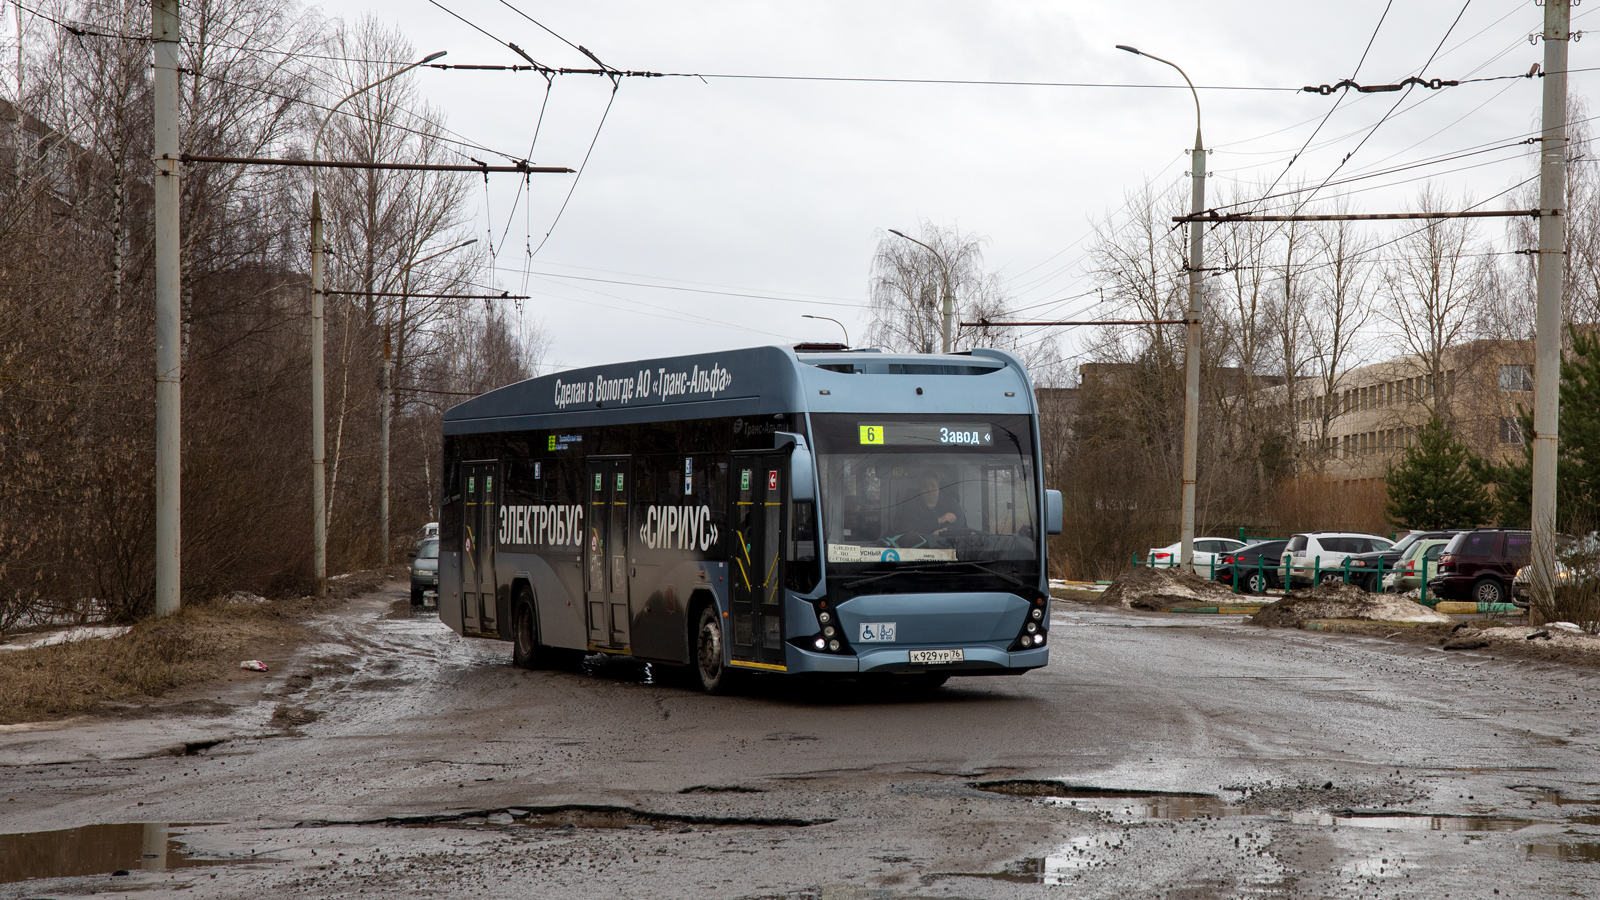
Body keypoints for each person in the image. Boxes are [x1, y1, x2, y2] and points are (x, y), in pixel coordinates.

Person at [897, 471, 965, 536]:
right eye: (925, 486)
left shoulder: (950, 502)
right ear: (920, 489)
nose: (929, 490)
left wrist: (945, 530)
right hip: (920, 546)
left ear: (938, 487)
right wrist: (938, 521)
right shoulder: (911, 506)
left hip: (948, 545)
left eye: (933, 485)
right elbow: (909, 529)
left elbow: (961, 521)